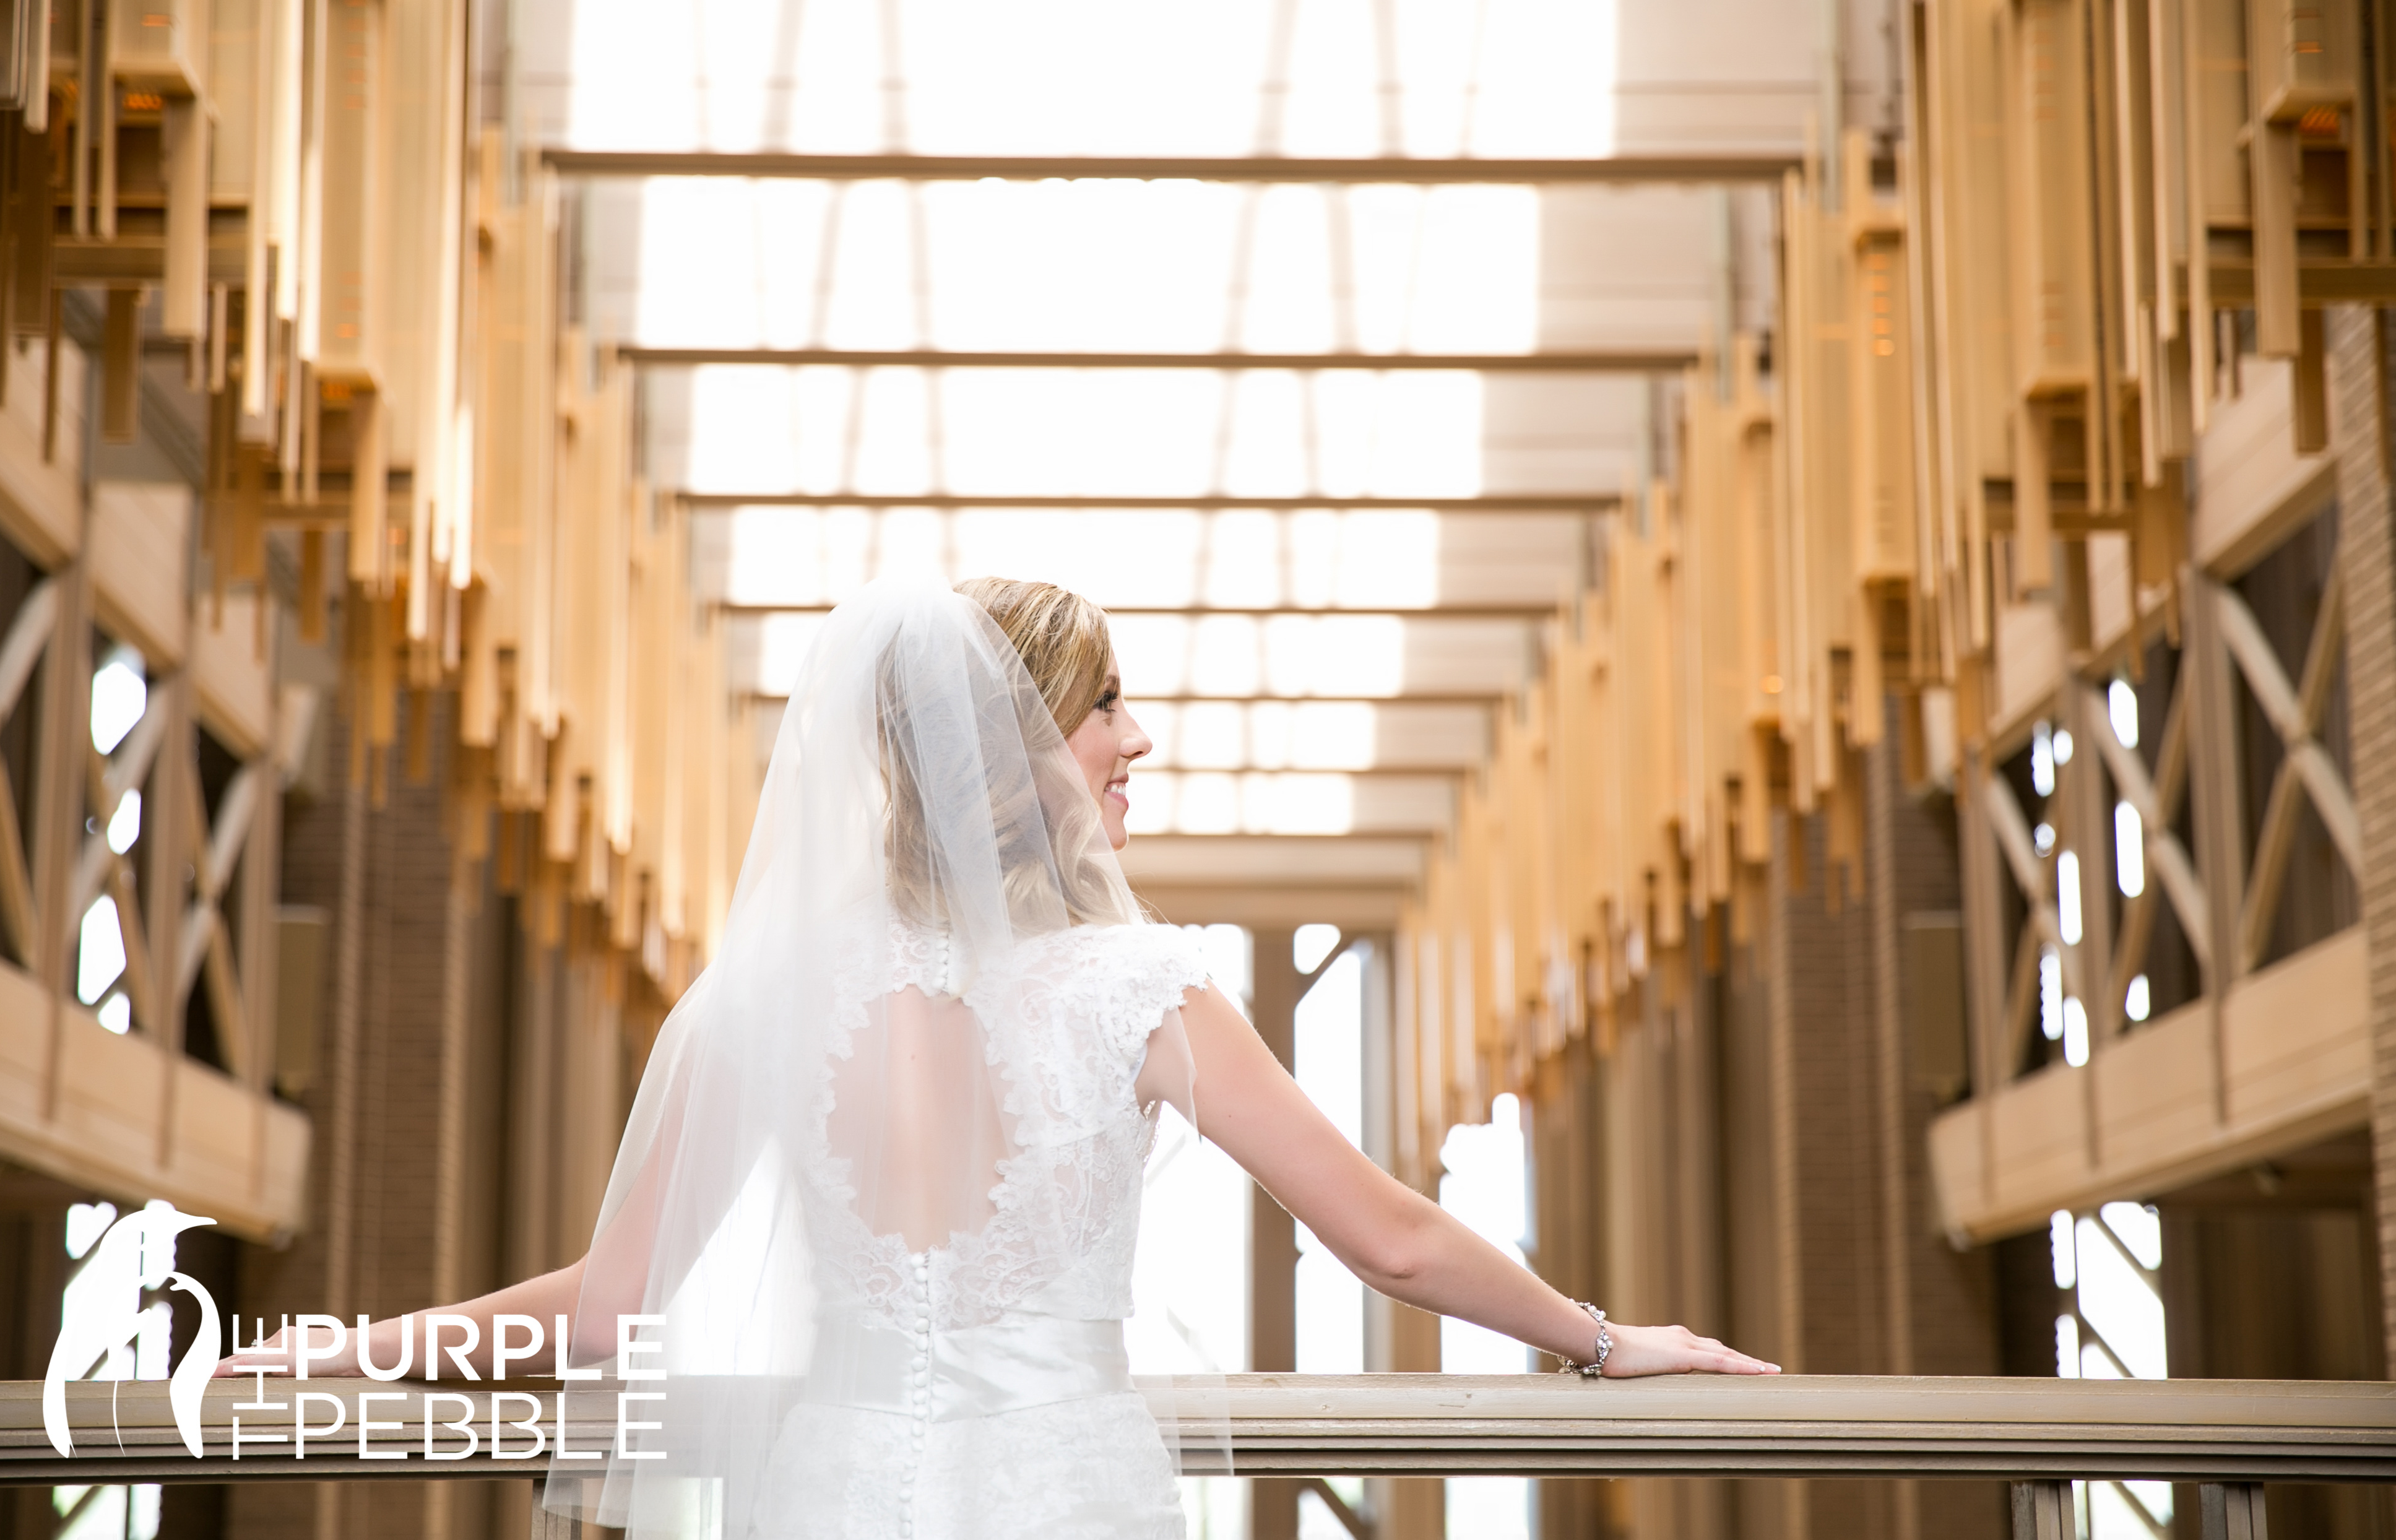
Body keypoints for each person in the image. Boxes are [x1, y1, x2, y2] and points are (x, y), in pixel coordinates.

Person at [223, 576, 1773, 1538]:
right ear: (1024, 750)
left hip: (826, 1500)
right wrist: (1598, 1337)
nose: (1140, 739)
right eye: (1110, 704)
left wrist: (345, 1344)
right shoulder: (1140, 991)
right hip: (1065, 1499)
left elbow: (606, 1304)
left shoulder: (759, 996)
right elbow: (1394, 1239)